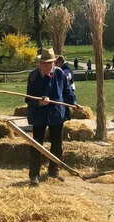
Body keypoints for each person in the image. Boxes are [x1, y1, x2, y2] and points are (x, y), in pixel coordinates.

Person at [26, 48, 77, 186]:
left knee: (57, 144)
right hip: (39, 115)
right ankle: (34, 175)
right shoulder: (34, 76)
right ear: (40, 63)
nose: (50, 66)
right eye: (47, 63)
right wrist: (39, 101)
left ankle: (54, 171)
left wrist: (72, 103)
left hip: (56, 113)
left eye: (52, 63)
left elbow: (67, 90)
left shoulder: (59, 73)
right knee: (37, 145)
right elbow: (28, 98)